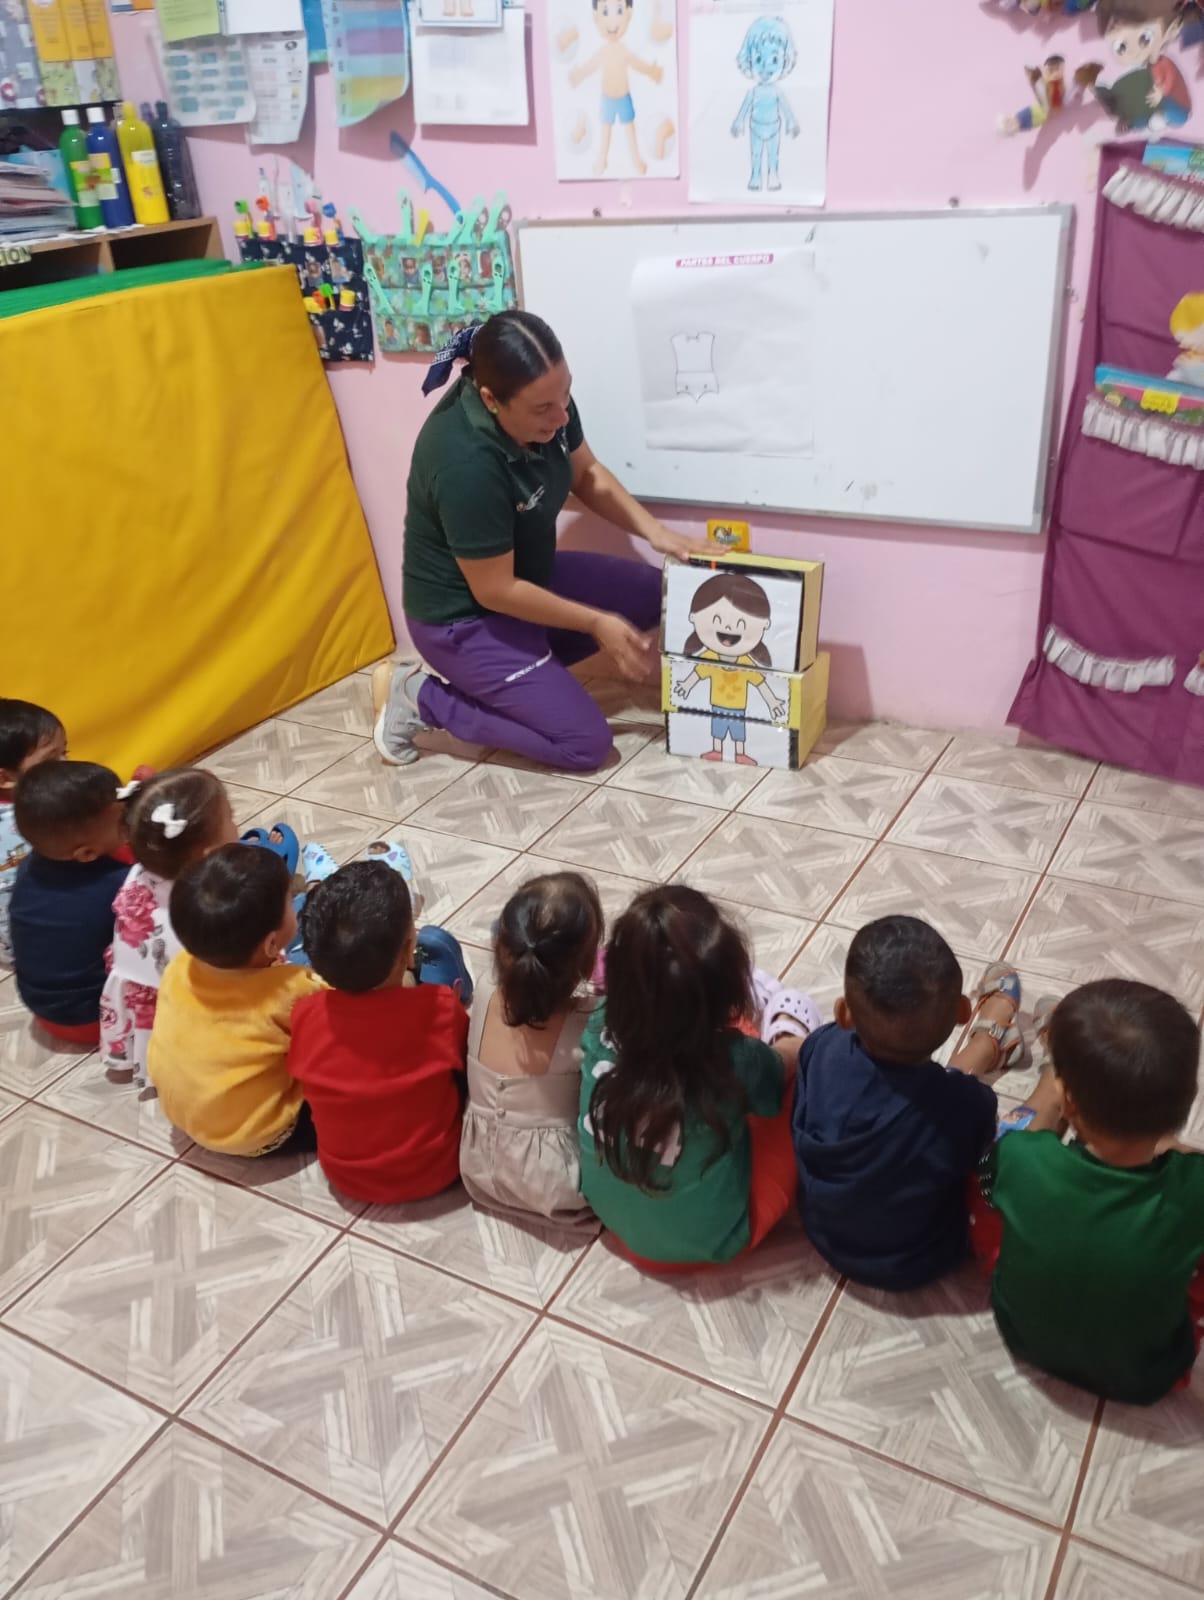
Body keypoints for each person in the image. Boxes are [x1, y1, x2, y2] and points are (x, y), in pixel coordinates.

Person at [372, 309, 706, 773]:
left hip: (527, 580)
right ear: (491, 400)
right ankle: (419, 697)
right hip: (462, 621)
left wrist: (658, 533)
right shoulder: (464, 462)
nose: (561, 415)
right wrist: (595, 622)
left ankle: (516, 684)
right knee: (585, 745)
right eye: (543, 409)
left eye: (565, 394)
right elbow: (494, 590)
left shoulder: (548, 397)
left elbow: (586, 474)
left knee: (657, 593)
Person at [972, 979, 1204, 1404]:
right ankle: (1146, 1132)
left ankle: (1049, 1077)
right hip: (1147, 1376)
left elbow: (986, 1198)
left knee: (1008, 1169)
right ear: (1188, 1102)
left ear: (1069, 1103)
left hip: (1023, 1337)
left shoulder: (1018, 1157)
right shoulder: (1195, 1187)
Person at [578, 885, 807, 1268]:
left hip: (612, 1218)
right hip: (717, 1239)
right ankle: (780, 1011)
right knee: (797, 1085)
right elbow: (787, 1063)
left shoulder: (597, 1021)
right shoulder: (736, 1060)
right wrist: (794, 1038)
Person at [792, 917, 1015, 1290]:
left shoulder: (821, 1047)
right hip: (919, 1258)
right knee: (1004, 1153)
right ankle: (990, 1042)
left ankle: (987, 1045)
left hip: (824, 1234)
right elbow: (976, 1146)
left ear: (844, 1014)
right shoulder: (965, 1104)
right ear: (962, 1012)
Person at [288, 860, 471, 1205]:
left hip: (345, 1177)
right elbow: (466, 1063)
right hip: (438, 1169)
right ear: (409, 949)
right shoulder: (441, 1008)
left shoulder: (305, 1015)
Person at [149, 846, 322, 1156]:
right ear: (271, 943)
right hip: (260, 1135)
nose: (293, 908)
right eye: (290, 903)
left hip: (185, 1117)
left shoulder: (180, 965)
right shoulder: (293, 989)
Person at [461, 871, 603, 1230]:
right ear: (589, 965)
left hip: (477, 1168)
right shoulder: (592, 1022)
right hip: (557, 1186)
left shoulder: (484, 990)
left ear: (502, 946)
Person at [100, 769, 239, 1086]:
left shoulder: (139, 872)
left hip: (141, 989)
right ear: (209, 853)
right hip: (193, 1003)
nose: (237, 825)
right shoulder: (215, 903)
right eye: (231, 817)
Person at [9, 761, 130, 1046]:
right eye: (122, 823)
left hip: (42, 1008)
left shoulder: (28, 868)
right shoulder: (120, 883)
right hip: (95, 1018)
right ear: (86, 853)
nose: (130, 825)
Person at [0, 698, 66, 965]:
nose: (65, 764)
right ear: (5, 778)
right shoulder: (38, 813)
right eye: (51, 759)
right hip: (41, 942)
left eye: (65, 753)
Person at [569, 0, 665, 178]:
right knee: (605, 132)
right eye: (605, 12)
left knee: (630, 130)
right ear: (596, 17)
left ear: (628, 14)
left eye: (619, 10)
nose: (612, 20)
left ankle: (636, 160)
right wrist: (579, 75)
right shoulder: (603, 52)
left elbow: (637, 64)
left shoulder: (623, 51)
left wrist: (652, 71)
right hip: (607, 99)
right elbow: (590, 66)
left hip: (623, 97)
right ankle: (602, 159)